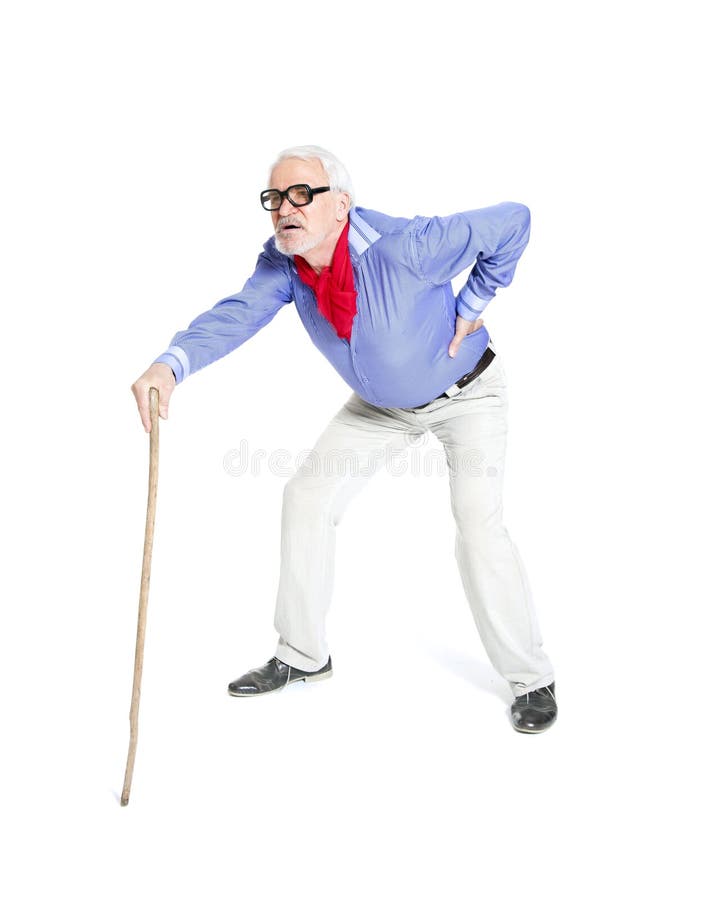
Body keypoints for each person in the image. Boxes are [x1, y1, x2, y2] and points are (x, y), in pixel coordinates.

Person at [131, 145, 558, 734]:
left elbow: (513, 220)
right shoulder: (284, 262)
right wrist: (169, 366)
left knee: (477, 525)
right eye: (275, 198)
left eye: (302, 194)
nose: (285, 208)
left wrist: (473, 303)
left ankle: (531, 678)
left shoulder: (405, 246)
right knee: (306, 498)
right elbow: (237, 314)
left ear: (342, 205)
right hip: (381, 408)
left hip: (467, 396)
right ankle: (303, 656)